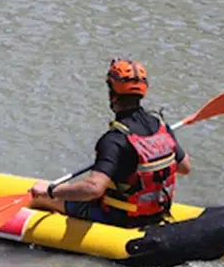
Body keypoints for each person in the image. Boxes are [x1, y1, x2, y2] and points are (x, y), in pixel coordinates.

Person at [26, 59, 192, 226]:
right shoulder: (162, 127)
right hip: (157, 212)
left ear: (112, 93)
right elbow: (185, 168)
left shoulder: (114, 140)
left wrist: (51, 191)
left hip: (120, 218)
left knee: (41, 200)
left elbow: (93, 189)